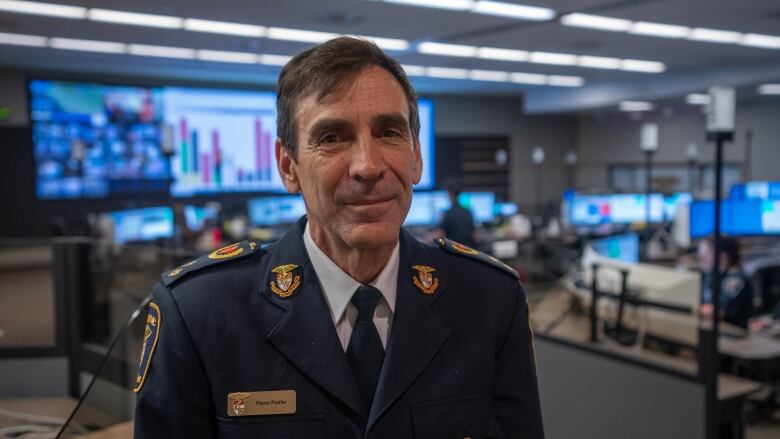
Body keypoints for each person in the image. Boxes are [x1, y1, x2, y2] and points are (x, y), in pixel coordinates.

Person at [134, 37, 543, 439]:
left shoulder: (489, 301)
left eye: (389, 132)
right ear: (288, 166)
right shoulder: (199, 313)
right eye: (332, 137)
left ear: (416, 157)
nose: (368, 166)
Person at [698, 236, 753, 328]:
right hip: (712, 328)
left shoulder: (736, 279)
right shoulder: (710, 274)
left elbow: (719, 312)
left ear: (722, 256)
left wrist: (690, 308)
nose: (701, 256)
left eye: (706, 252)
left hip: (732, 334)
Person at [439, 182, 477, 248]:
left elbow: (440, 234)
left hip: (454, 250)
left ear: (451, 195)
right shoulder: (468, 211)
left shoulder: (448, 213)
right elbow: (474, 235)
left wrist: (426, 239)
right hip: (468, 249)